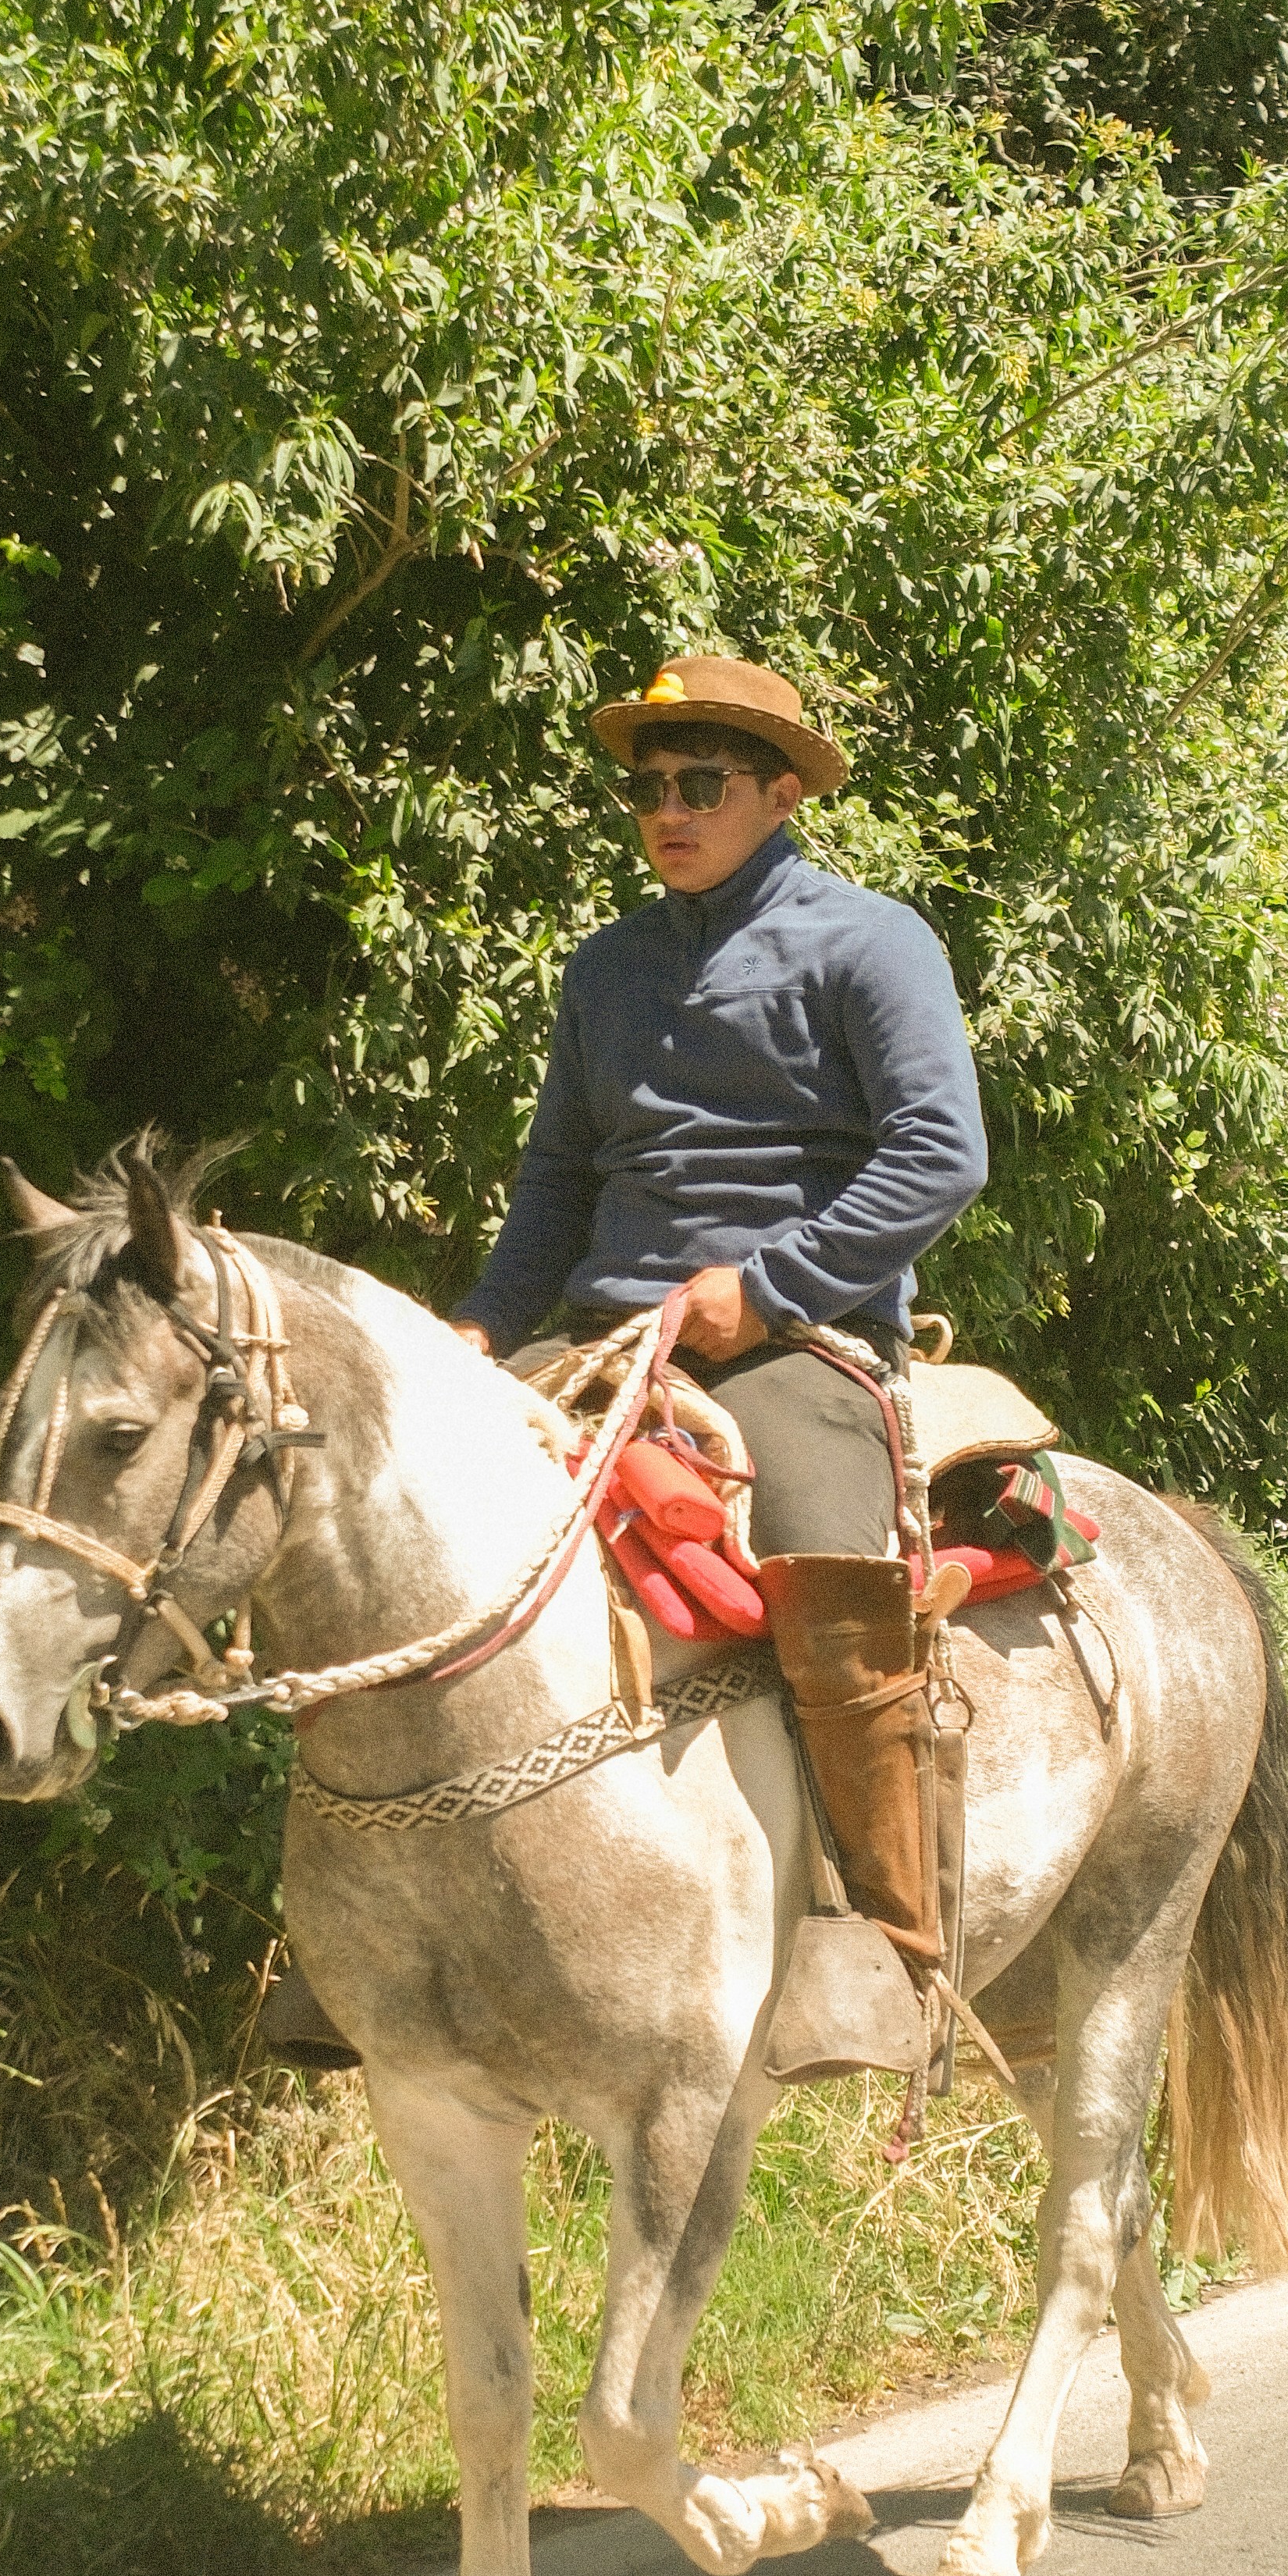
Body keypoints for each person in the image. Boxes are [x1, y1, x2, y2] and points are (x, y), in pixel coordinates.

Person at [450, 654, 989, 1980]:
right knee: (405, 1510)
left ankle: (886, 1949)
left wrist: (770, 1286)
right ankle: (397, 1925)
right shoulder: (605, 969)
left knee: (826, 1576)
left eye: (701, 784)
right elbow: (558, 1183)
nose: (666, 813)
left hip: (796, 1342)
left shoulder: (874, 941)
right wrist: (476, 1332)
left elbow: (940, 1153)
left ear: (783, 791)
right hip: (600, 1334)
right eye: (646, 789)